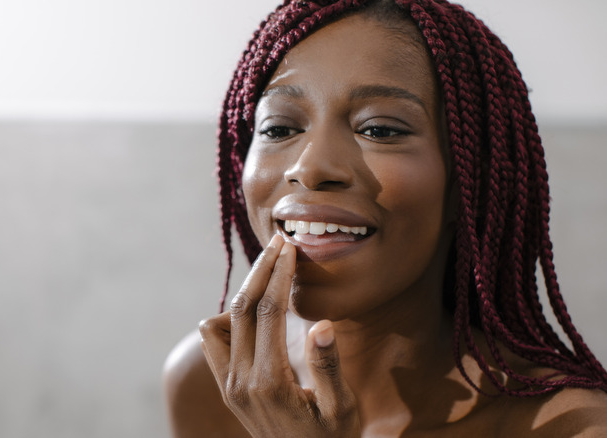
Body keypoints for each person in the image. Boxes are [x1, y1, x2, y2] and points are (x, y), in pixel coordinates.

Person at [163, 0, 607, 436]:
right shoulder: (210, 384)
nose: (310, 167)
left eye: (379, 129)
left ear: (466, 184)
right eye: (279, 129)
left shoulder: (573, 426)